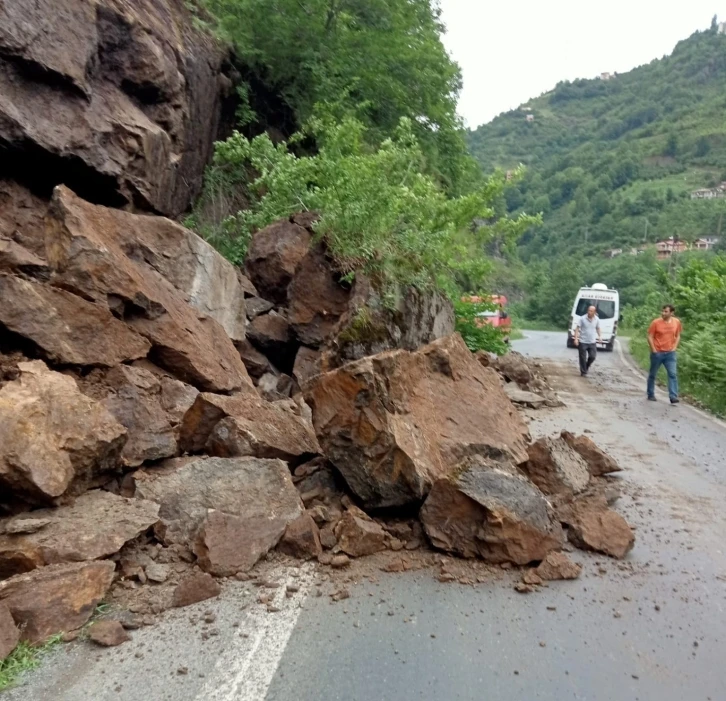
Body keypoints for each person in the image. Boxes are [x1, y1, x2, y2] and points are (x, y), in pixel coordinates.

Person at [647, 304, 681, 404]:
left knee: (672, 374)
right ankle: (651, 394)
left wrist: (674, 347)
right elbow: (650, 336)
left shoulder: (676, 322)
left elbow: (678, 335)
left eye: (666, 312)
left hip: (670, 353)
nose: (663, 313)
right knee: (653, 374)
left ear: (671, 313)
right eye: (662, 311)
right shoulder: (656, 323)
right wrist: (654, 350)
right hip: (658, 352)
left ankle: (673, 396)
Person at [574, 305, 602, 376]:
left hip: (592, 342)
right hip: (583, 341)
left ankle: (586, 366)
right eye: (588, 310)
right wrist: (576, 339)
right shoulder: (582, 318)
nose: (589, 312)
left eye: (591, 311)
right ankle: (583, 372)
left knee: (592, 356)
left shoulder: (597, 319)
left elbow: (598, 328)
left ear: (594, 312)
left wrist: (600, 336)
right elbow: (577, 329)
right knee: (582, 358)